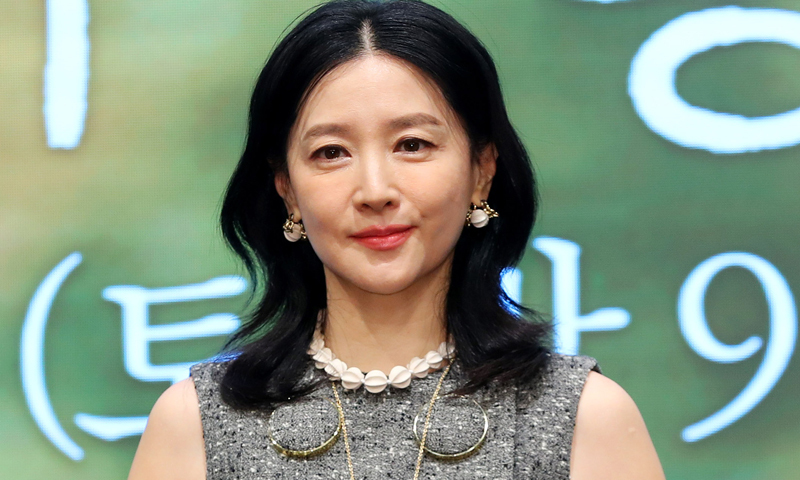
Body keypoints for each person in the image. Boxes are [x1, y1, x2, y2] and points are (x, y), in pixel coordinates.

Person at [128, 1, 666, 479]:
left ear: (482, 171)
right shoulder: (194, 424)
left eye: (412, 144)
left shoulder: (583, 418)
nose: (375, 191)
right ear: (287, 189)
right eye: (331, 152)